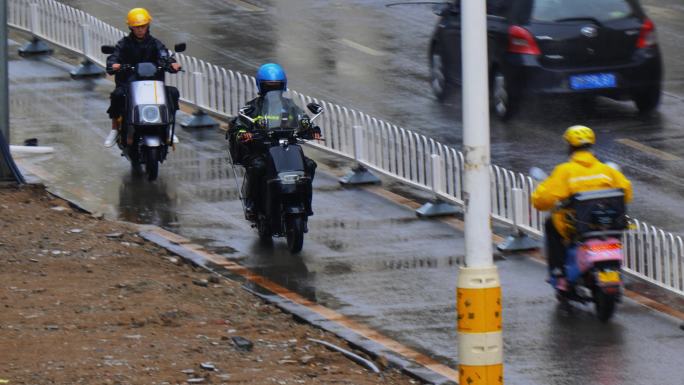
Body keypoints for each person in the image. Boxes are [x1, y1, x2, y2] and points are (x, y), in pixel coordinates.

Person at [531, 125, 632, 291]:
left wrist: (537, 198)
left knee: (551, 225)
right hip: (606, 224)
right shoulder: (606, 170)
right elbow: (626, 193)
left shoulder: (565, 171)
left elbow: (543, 199)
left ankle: (559, 273)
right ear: (591, 145)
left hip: (576, 226)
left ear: (570, 147)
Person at [228, 63, 320, 219]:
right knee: (257, 167)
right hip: (262, 149)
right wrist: (244, 134)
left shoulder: (290, 106)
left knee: (309, 165)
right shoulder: (253, 107)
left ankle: (305, 202)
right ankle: (252, 203)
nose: (273, 90)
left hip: (287, 147)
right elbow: (239, 125)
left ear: (283, 86)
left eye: (276, 86)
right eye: (269, 87)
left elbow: (302, 119)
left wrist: (312, 129)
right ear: (261, 87)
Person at [104, 7, 182, 147]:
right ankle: (115, 130)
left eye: (143, 26)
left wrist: (172, 64)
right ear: (131, 27)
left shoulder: (155, 43)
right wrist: (113, 64)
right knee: (116, 95)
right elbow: (115, 56)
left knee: (173, 92)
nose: (140, 29)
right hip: (129, 84)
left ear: (148, 26)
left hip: (153, 85)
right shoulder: (124, 44)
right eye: (137, 27)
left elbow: (164, 55)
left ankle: (168, 127)